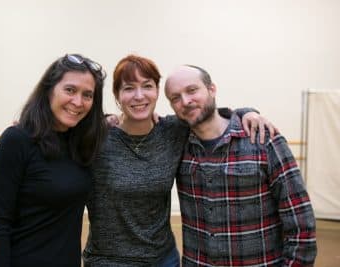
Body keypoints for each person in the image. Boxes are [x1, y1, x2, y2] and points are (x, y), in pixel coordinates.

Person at [83, 55, 276, 266]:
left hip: (163, 259)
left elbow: (208, 114)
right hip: (108, 261)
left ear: (157, 92)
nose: (139, 96)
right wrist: (104, 118)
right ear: (117, 96)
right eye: (129, 88)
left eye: (147, 86)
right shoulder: (97, 139)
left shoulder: (173, 131)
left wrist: (246, 113)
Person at [164, 65, 317, 266]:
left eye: (192, 90)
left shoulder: (263, 140)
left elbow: (301, 225)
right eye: (175, 98)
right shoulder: (176, 142)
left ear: (212, 89)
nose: (185, 101)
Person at [0, 54, 107, 267]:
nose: (78, 102)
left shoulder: (81, 143)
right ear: (49, 89)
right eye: (70, 90)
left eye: (87, 95)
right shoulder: (17, 140)